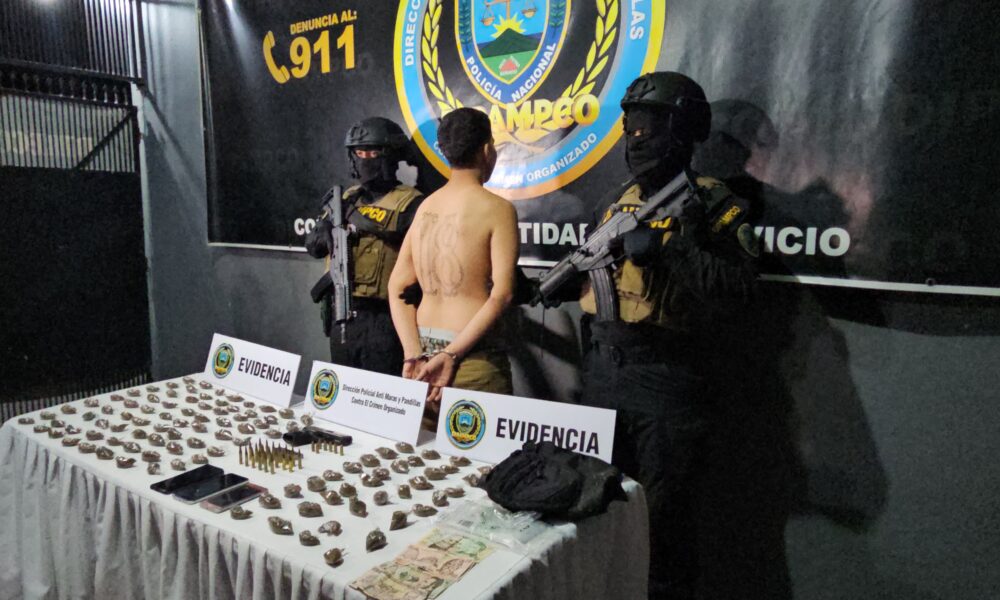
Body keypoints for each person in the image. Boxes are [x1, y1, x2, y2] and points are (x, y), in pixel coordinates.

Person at [576, 73, 760, 599]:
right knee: (595, 508)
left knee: (663, 528)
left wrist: (669, 248)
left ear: (683, 131)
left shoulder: (713, 203)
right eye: (631, 128)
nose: (637, 139)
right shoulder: (615, 202)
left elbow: (740, 290)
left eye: (650, 128)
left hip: (666, 379)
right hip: (605, 371)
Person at [388, 107, 519, 416]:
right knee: (483, 448)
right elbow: (502, 294)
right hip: (471, 358)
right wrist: (451, 355)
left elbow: (397, 285)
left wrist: (412, 353)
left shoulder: (426, 207)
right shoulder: (498, 209)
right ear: (487, 150)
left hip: (422, 363)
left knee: (427, 447)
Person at [305, 117, 424, 375]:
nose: (363, 160)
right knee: (343, 383)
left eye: (370, 152)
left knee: (381, 391)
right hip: (343, 313)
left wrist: (355, 218)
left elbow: (407, 240)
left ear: (389, 155)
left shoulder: (411, 203)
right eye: (358, 153)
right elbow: (314, 248)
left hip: (386, 317)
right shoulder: (346, 199)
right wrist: (322, 227)